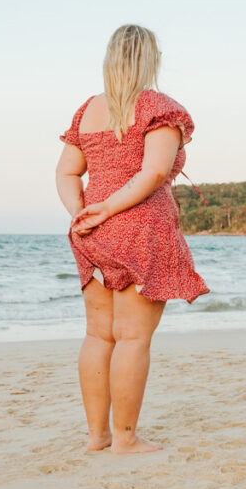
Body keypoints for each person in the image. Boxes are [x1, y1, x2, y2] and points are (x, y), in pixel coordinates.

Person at [55, 24, 208, 455]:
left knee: (98, 336)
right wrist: (106, 210)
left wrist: (82, 212)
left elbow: (66, 171)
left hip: (91, 231)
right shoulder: (159, 106)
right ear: (151, 59)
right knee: (133, 337)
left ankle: (96, 437)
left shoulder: (88, 110)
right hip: (139, 226)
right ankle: (125, 438)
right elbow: (154, 172)